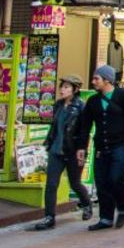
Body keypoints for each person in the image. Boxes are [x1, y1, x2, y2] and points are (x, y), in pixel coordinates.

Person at [76, 65, 124, 231]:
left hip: (120, 145)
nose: (93, 81)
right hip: (100, 147)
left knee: (115, 178)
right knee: (101, 182)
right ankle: (106, 217)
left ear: (107, 80)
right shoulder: (93, 101)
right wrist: (82, 146)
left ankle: (123, 207)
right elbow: (85, 125)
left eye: (97, 78)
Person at [33, 75, 93, 230]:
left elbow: (84, 131)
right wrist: (49, 143)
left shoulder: (81, 107)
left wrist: (81, 149)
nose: (62, 90)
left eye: (67, 87)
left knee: (75, 183)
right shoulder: (58, 105)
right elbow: (54, 128)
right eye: (62, 86)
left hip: (72, 151)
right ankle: (49, 217)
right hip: (56, 150)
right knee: (51, 184)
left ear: (75, 89)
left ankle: (87, 204)